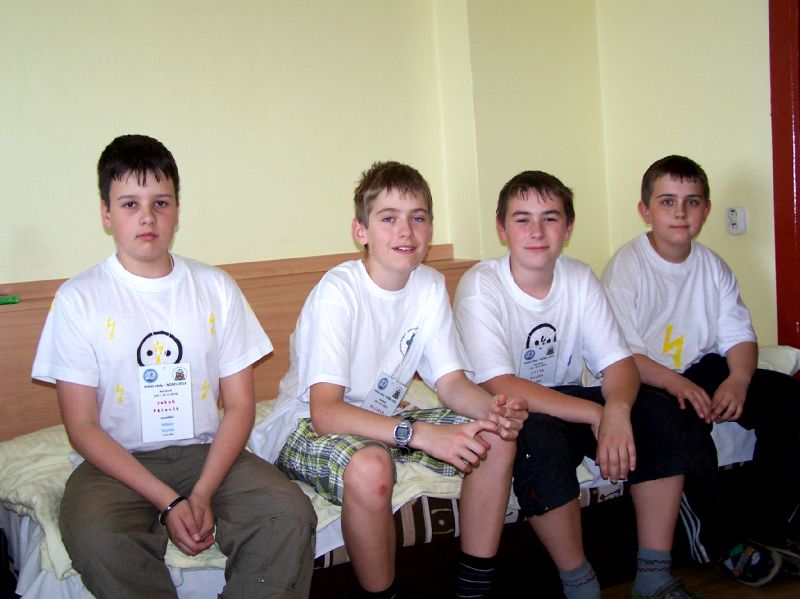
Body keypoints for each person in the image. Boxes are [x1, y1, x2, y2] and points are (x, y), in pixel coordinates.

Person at [31, 134, 316, 599]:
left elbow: (240, 406)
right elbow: (81, 426)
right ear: (106, 214)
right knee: (96, 536)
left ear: (177, 211)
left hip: (207, 454)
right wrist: (169, 502)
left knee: (288, 514)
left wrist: (200, 493)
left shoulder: (216, 288)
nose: (147, 217)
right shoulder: (78, 299)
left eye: (160, 202)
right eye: (129, 204)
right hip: (114, 463)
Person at [250, 161, 527, 598]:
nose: (405, 231)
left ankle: (474, 589)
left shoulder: (429, 285)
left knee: (495, 439)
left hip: (384, 417)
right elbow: (325, 413)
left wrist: (493, 409)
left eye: (418, 218)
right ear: (361, 231)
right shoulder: (339, 292)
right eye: (388, 218)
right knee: (371, 466)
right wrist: (421, 435)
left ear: (431, 228)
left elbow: (451, 382)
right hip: (304, 424)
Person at [454, 170, 696, 599]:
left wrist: (617, 410)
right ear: (502, 228)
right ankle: (580, 583)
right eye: (522, 219)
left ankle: (654, 574)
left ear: (567, 228)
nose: (537, 231)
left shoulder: (580, 277)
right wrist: (597, 413)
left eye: (550, 218)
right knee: (536, 437)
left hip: (566, 397)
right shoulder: (481, 285)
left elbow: (620, 365)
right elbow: (499, 384)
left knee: (657, 410)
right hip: (509, 405)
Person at [602, 154, 800, 586]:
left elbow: (740, 338)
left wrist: (738, 379)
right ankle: (722, 542)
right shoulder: (627, 267)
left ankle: (768, 524)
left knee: (789, 399)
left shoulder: (713, 267)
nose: (680, 212)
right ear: (645, 210)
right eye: (667, 201)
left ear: (706, 210)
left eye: (691, 202)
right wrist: (677, 384)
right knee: (680, 426)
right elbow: (620, 356)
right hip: (645, 377)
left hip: (701, 368)